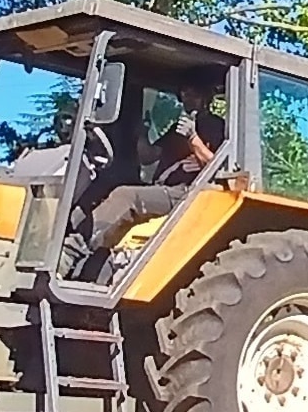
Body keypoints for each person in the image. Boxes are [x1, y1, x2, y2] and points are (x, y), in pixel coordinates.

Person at [57, 77, 225, 279]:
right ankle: (76, 253)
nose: (187, 100)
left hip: (190, 193)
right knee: (108, 186)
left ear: (207, 97)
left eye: (194, 95)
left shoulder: (217, 126)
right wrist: (141, 132)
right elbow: (149, 157)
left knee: (127, 196)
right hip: (164, 190)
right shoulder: (178, 128)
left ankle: (72, 250)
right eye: (185, 95)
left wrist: (193, 138)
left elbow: (220, 168)